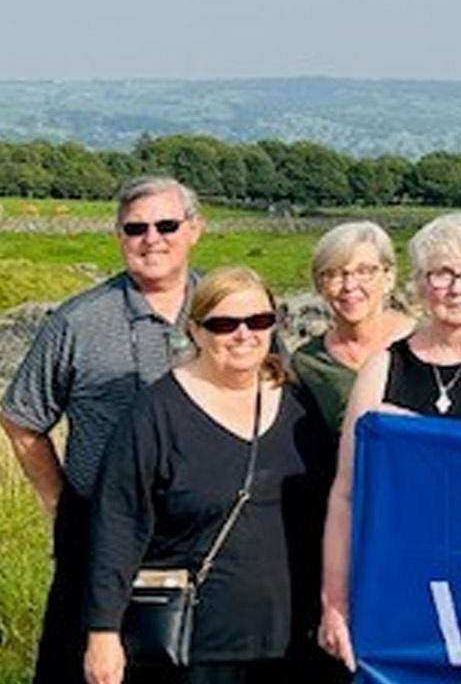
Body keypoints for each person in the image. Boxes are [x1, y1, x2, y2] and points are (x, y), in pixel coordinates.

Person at [316, 214, 461, 672]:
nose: (457, 287)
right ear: (420, 285)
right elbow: (346, 493)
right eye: (441, 273)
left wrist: (408, 427)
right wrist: (335, 602)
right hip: (402, 575)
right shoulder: (384, 366)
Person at [82, 267, 332, 684]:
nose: (244, 335)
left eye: (259, 321)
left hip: (294, 638)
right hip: (193, 647)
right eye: (224, 324)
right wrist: (103, 632)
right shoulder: (157, 413)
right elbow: (118, 523)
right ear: (195, 331)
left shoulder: (297, 404)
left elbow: (331, 510)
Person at [3, 176, 204, 684]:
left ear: (194, 229)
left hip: (201, 535)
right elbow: (22, 415)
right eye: (135, 228)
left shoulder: (225, 311)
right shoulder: (79, 322)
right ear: (119, 236)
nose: (151, 239)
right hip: (97, 529)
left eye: (166, 225)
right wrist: (60, 502)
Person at [289, 222, 413, 434]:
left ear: (389, 277)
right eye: (334, 274)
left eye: (364, 271)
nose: (349, 285)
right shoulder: (308, 363)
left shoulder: (424, 345)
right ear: (320, 286)